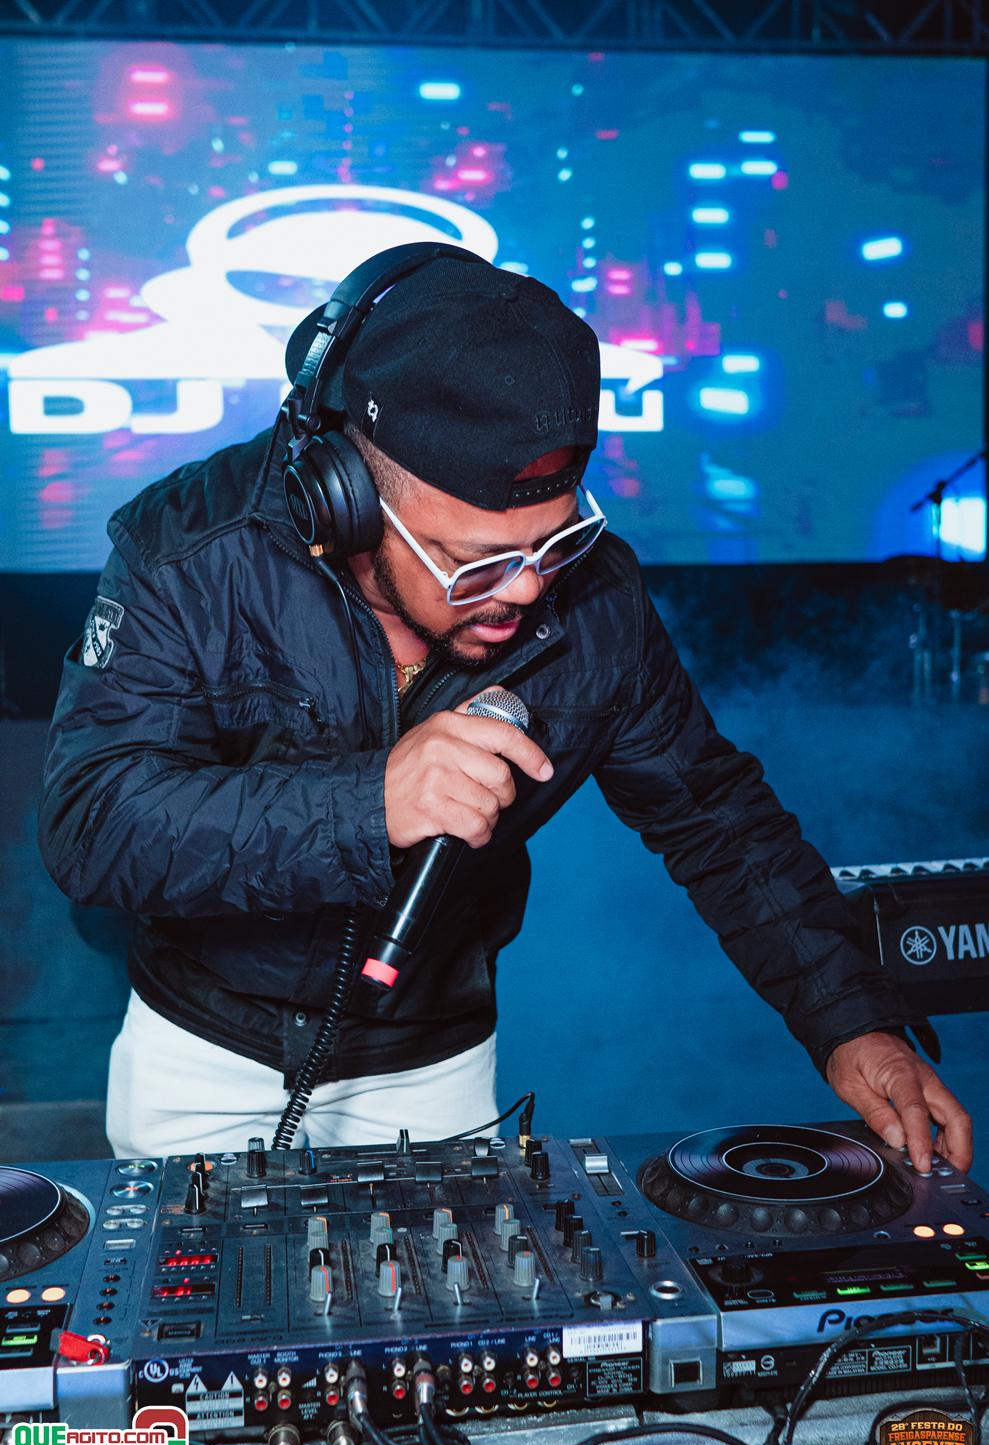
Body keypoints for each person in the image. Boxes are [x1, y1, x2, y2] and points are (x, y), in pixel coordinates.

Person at [38, 253, 973, 1171]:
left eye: (551, 543)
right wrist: (368, 802)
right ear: (349, 502)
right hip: (202, 1044)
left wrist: (853, 1023)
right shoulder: (191, 550)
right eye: (475, 561)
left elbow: (717, 821)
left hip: (431, 1059)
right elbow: (92, 824)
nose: (525, 588)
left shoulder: (595, 600)